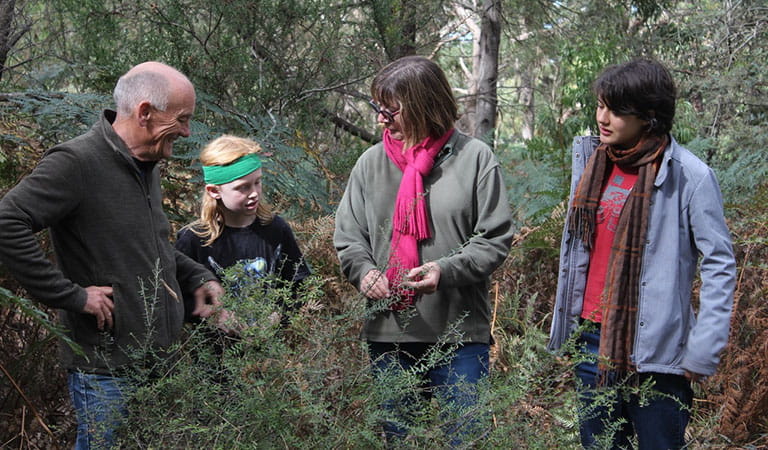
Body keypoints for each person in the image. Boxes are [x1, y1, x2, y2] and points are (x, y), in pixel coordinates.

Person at [0, 61, 226, 449]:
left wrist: (197, 277)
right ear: (144, 113)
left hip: (156, 359)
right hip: (105, 368)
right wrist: (73, 295)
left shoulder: (146, 166)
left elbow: (148, 248)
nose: (187, 131)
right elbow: (7, 222)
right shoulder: (77, 163)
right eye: (182, 119)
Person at [548, 58, 736, 449]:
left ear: (648, 116)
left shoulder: (690, 175)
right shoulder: (593, 162)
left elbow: (719, 264)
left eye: (617, 110)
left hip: (660, 351)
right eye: (600, 105)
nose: (603, 117)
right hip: (592, 342)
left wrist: (704, 347)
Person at [333, 55, 514, 445]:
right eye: (378, 108)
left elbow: (494, 237)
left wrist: (445, 270)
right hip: (390, 336)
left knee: (466, 441)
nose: (382, 119)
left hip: (460, 335)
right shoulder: (370, 165)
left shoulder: (475, 159)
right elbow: (349, 237)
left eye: (391, 110)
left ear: (423, 106)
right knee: (401, 441)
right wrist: (364, 272)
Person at [175, 134, 311, 325]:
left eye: (257, 182)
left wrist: (278, 317)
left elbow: (300, 286)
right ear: (214, 191)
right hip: (213, 352)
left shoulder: (275, 230)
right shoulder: (194, 239)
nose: (254, 193)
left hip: (272, 351)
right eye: (243, 188)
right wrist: (213, 315)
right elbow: (176, 299)